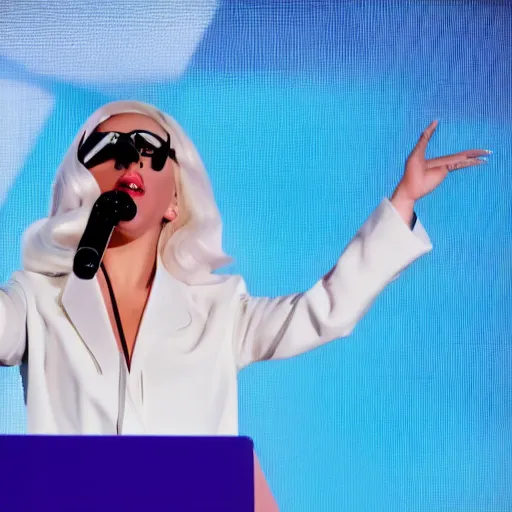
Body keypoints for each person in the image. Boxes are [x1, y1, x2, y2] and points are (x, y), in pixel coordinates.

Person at [0, 101, 489, 509]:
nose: (132, 163)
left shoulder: (219, 308)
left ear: (175, 199)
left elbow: (324, 312)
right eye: (112, 150)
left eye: (152, 153)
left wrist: (403, 201)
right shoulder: (37, 301)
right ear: (83, 183)